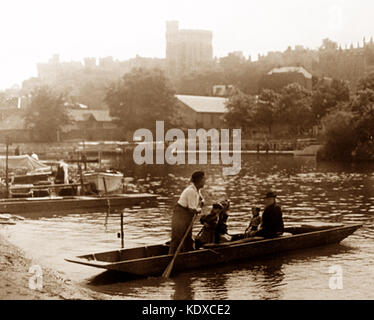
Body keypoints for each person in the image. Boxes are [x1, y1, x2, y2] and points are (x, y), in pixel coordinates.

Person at [169, 171, 205, 254]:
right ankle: (171, 256)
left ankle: (188, 254)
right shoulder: (191, 191)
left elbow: (200, 196)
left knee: (188, 238)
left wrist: (202, 200)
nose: (204, 182)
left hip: (186, 215)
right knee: (177, 238)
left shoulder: (196, 189)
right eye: (203, 180)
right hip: (180, 215)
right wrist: (199, 210)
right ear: (199, 181)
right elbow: (192, 210)